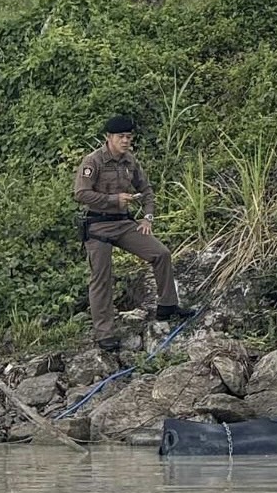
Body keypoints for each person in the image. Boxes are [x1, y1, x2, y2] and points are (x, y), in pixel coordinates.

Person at [73, 115, 192, 350]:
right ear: (109, 138)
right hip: (98, 225)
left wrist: (148, 216)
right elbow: (81, 194)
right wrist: (113, 199)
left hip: (124, 223)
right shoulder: (93, 162)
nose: (126, 141)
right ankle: (104, 333)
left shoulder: (130, 161)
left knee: (161, 253)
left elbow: (146, 189)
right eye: (121, 137)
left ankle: (167, 305)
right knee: (101, 279)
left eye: (129, 137)